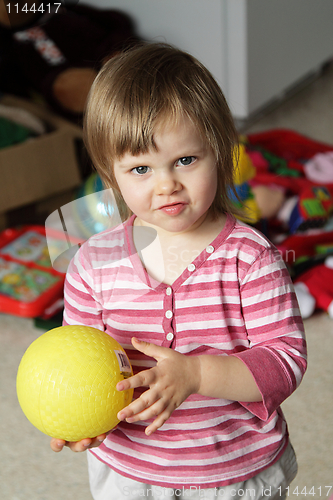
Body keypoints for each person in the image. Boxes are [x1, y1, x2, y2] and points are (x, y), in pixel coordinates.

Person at [50, 43, 307, 500]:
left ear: (222, 152)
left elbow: (284, 362)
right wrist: (79, 419)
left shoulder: (251, 257)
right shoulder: (93, 263)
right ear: (112, 174)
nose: (166, 184)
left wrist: (196, 375)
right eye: (141, 169)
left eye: (185, 160)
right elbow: (83, 364)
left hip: (232, 470)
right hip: (131, 471)